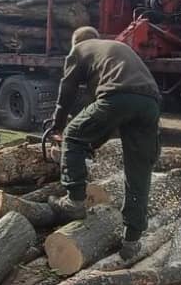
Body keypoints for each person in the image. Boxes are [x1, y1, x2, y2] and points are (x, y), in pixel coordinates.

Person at [48, 27, 162, 259]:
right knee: (138, 171)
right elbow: (106, 120)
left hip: (120, 95)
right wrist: (91, 145)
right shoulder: (113, 51)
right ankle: (132, 239)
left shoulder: (79, 49)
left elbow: (67, 90)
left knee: (72, 134)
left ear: (76, 42)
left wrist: (58, 126)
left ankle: (75, 200)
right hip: (150, 103)